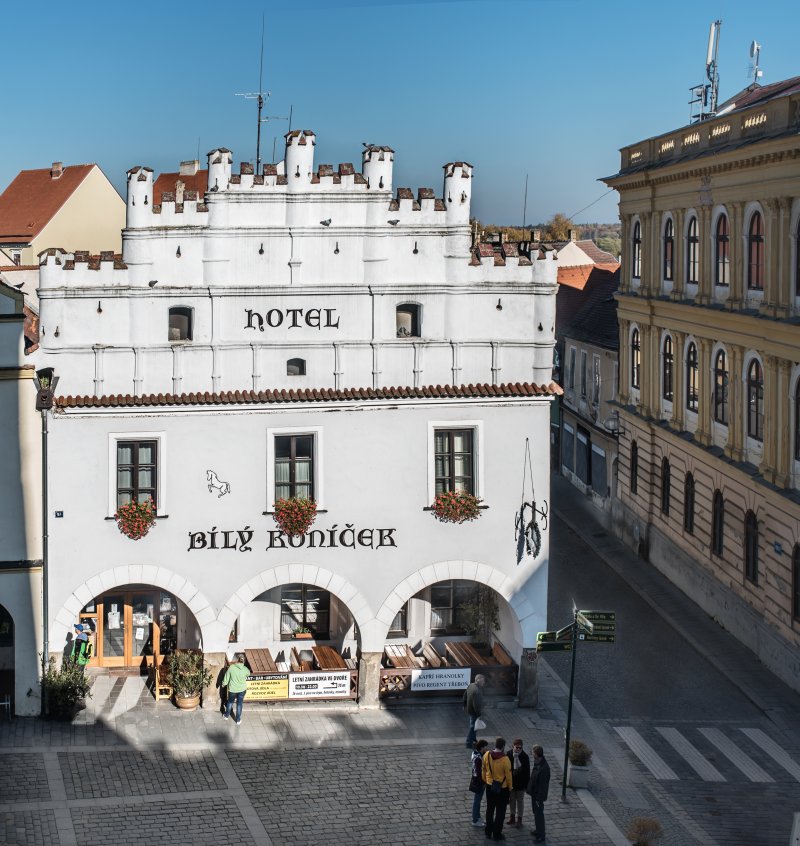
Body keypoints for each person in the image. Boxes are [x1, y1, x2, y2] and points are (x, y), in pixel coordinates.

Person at [482, 736, 512, 841]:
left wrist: (485, 780)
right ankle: (497, 834)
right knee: (500, 812)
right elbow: (508, 776)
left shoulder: (487, 755)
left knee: (489, 810)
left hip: (490, 786)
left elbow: (484, 769)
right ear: (503, 746)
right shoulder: (505, 759)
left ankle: (488, 831)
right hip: (502, 788)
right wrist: (510, 787)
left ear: (495, 745)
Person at [526, 744, 551, 842]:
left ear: (536, 754)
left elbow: (543, 786)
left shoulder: (544, 768)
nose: (532, 753)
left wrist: (538, 799)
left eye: (533, 752)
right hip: (534, 793)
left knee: (539, 815)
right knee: (536, 814)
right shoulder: (538, 762)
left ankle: (541, 835)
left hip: (538, 796)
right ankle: (538, 830)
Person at [506, 738, 530, 827]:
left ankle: (519, 819)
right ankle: (512, 816)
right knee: (512, 800)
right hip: (511, 783)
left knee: (520, 801)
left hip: (520, 784)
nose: (518, 749)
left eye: (520, 748)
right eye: (517, 747)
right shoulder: (509, 754)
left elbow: (527, 772)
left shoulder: (524, 756)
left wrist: (526, 785)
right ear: (513, 746)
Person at [222, 653, 249, 725]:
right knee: (239, 704)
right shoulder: (245, 669)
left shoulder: (231, 667)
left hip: (232, 689)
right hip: (242, 690)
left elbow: (226, 677)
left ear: (236, 660)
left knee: (230, 702)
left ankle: (226, 716)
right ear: (243, 661)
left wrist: (224, 683)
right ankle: (238, 720)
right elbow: (248, 674)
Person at [463, 673, 486, 748]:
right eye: (483, 681)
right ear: (478, 681)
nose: (484, 682)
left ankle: (473, 738)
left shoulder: (471, 685)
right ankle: (468, 742)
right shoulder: (477, 691)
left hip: (469, 709)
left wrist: (464, 705)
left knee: (474, 726)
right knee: (473, 727)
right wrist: (479, 714)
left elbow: (465, 695)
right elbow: (476, 705)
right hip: (474, 712)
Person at [470, 739, 489, 828]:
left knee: (478, 800)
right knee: (477, 801)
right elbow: (479, 772)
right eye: (485, 746)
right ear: (482, 747)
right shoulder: (478, 758)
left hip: (476, 780)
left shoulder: (476, 754)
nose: (487, 748)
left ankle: (477, 817)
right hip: (479, 781)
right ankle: (475, 819)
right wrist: (484, 780)